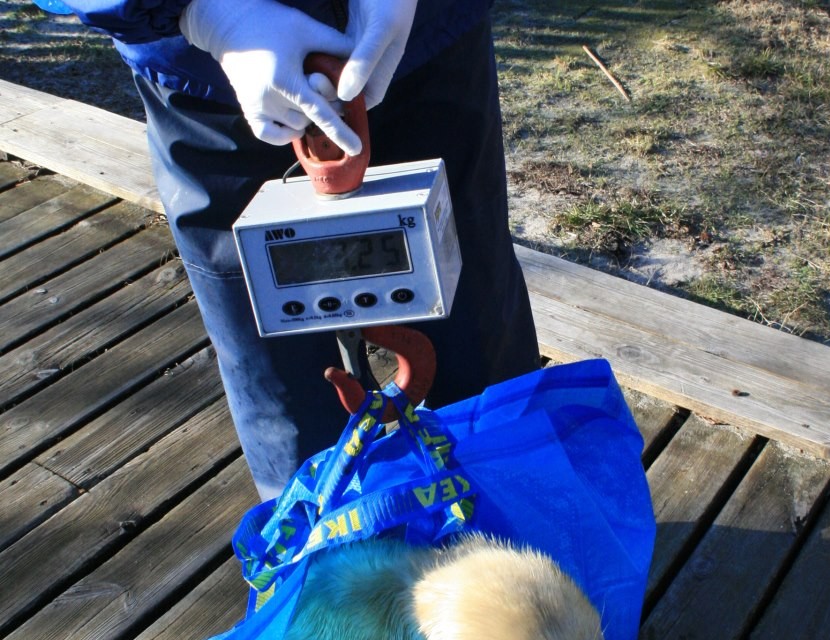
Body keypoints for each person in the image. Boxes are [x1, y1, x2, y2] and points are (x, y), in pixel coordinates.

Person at [43, 0, 542, 499]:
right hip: (209, 85)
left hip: (425, 42)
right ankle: (318, 535)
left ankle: (512, 526)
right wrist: (210, 14)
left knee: (485, 367)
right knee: (287, 402)